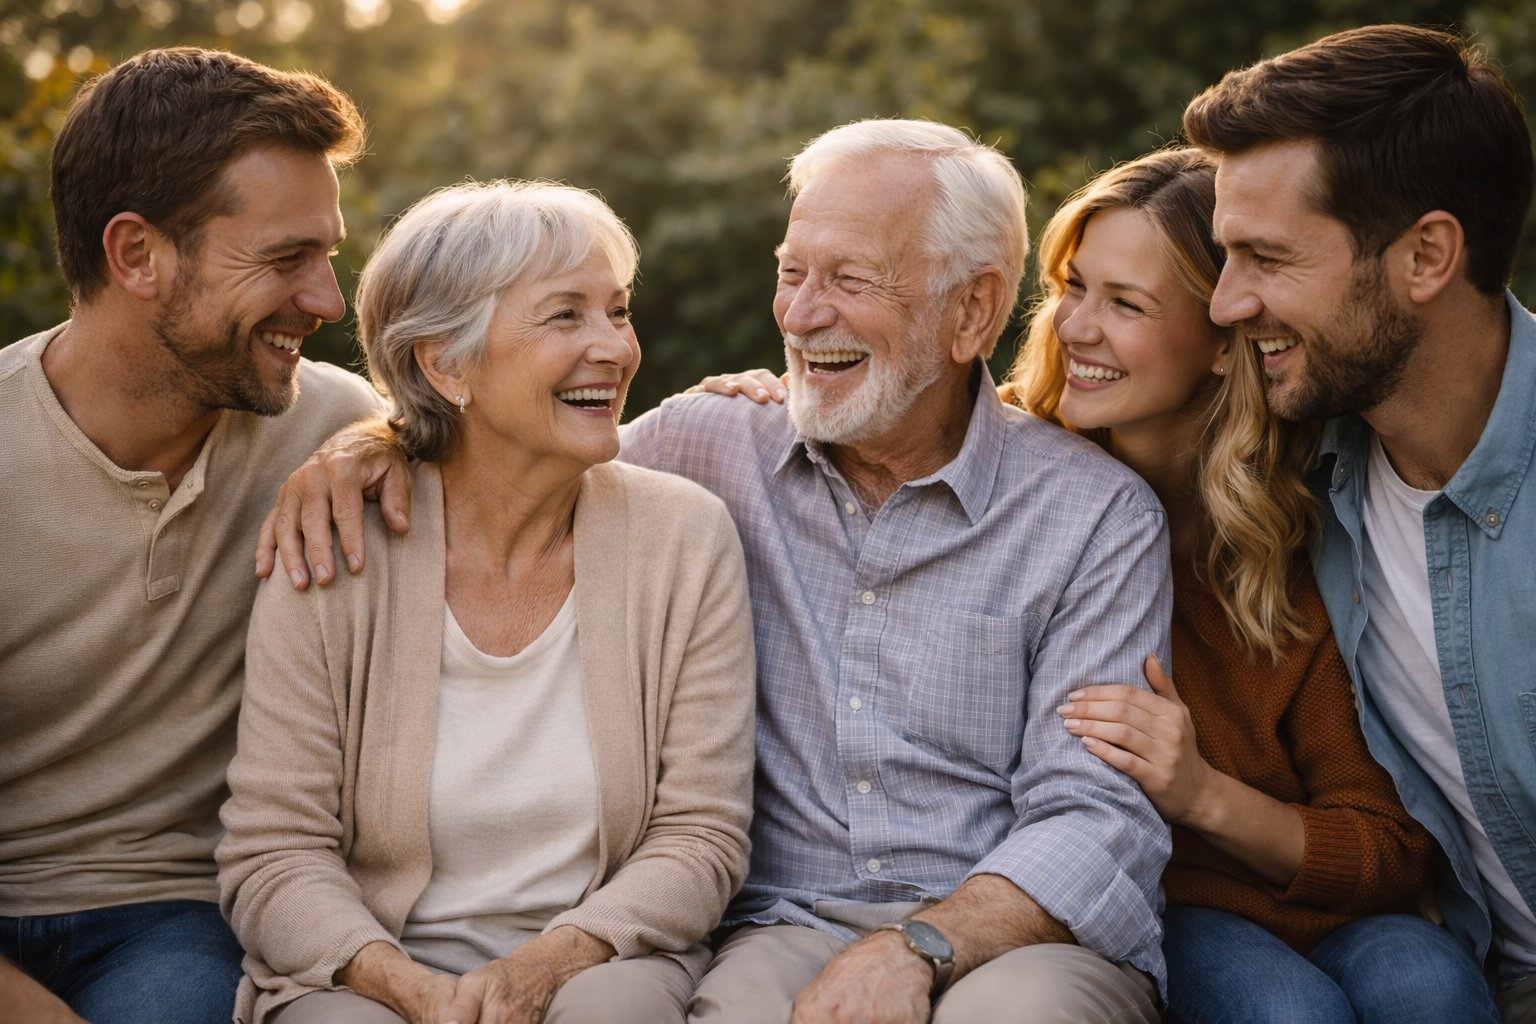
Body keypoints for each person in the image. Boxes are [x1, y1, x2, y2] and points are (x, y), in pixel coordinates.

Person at [261, 119, 1174, 1023]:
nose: (801, 313)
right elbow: (515, 444)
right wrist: (372, 447)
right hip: (783, 927)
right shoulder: (705, 445)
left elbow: (1094, 817)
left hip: (1017, 937)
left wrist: (916, 949)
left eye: (849, 280)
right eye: (791, 273)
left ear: (973, 310)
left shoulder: (1093, 515)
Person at [215, 179, 756, 1024]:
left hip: (604, 960)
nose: (614, 348)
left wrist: (548, 966)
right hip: (367, 976)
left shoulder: (684, 536)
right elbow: (275, 853)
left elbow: (702, 835)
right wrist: (405, 988)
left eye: (617, 311)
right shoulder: (333, 540)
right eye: (566, 315)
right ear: (446, 362)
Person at [1005, 146, 1497, 1022]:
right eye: (1072, 287)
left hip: (1330, 904)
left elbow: (1389, 844)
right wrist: (759, 396)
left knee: (1432, 990)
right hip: (1166, 907)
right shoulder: (1014, 476)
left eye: (1126, 304)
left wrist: (1200, 792)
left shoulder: (1304, 525)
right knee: (1287, 1016)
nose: (1075, 327)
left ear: (1225, 345)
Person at [0, 47, 380, 1024]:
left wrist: (375, 446)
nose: (327, 301)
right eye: (287, 258)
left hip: (170, 920)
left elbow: (521, 447)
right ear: (137, 255)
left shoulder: (330, 423)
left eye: (326, 255)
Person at [1182, 24, 1536, 1021]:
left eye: (1266, 257)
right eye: (1222, 256)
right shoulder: (1297, 464)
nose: (1225, 303)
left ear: (1427, 254)